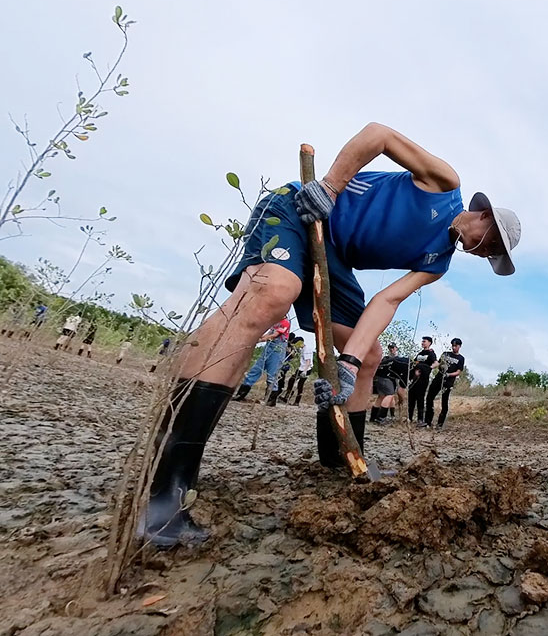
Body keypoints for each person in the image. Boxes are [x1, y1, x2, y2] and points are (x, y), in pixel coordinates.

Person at [136, 121, 520, 548]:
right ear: (484, 215)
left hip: (333, 256)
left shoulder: (438, 262)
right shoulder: (444, 183)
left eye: (492, 255)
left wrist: (351, 362)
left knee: (370, 355)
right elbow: (379, 135)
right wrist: (331, 188)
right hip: (298, 211)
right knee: (274, 293)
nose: (484, 253)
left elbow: (386, 302)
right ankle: (166, 484)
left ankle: (339, 458)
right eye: (491, 243)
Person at [232, 318, 292, 403]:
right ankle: (241, 394)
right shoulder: (275, 322)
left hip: (277, 351)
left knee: (272, 375)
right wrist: (258, 337)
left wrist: (260, 340)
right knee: (255, 370)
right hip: (268, 349)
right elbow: (269, 333)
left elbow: (275, 335)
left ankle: (271, 400)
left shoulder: (285, 323)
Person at [425, 337, 466, 428]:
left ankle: (440, 424)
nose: (454, 347)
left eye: (456, 346)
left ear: (459, 346)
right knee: (429, 397)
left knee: (444, 402)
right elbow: (439, 363)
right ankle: (428, 421)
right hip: (439, 378)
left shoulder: (461, 358)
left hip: (448, 382)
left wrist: (449, 374)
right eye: (453, 346)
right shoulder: (445, 353)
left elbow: (458, 371)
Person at [370, 343, 406, 422]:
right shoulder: (386, 359)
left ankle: (373, 417)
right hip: (386, 378)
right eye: (390, 348)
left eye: (393, 348)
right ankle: (381, 417)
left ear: (396, 348)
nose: (392, 349)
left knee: (382, 396)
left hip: (387, 379)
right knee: (389, 395)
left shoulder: (396, 359)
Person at [409, 336, 436, 425]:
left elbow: (435, 363)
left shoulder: (431, 353)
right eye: (422, 341)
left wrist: (427, 369)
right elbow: (415, 363)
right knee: (411, 397)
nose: (422, 343)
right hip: (415, 379)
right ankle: (409, 418)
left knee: (420, 398)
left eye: (424, 341)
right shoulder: (420, 353)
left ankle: (420, 420)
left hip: (423, 380)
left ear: (429, 343)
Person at [282, 339, 314, 405]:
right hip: (301, 368)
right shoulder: (302, 349)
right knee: (291, 380)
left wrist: (304, 371)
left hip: (306, 369)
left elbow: (308, 361)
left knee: (300, 385)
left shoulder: (307, 349)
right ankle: (287, 397)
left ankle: (297, 401)